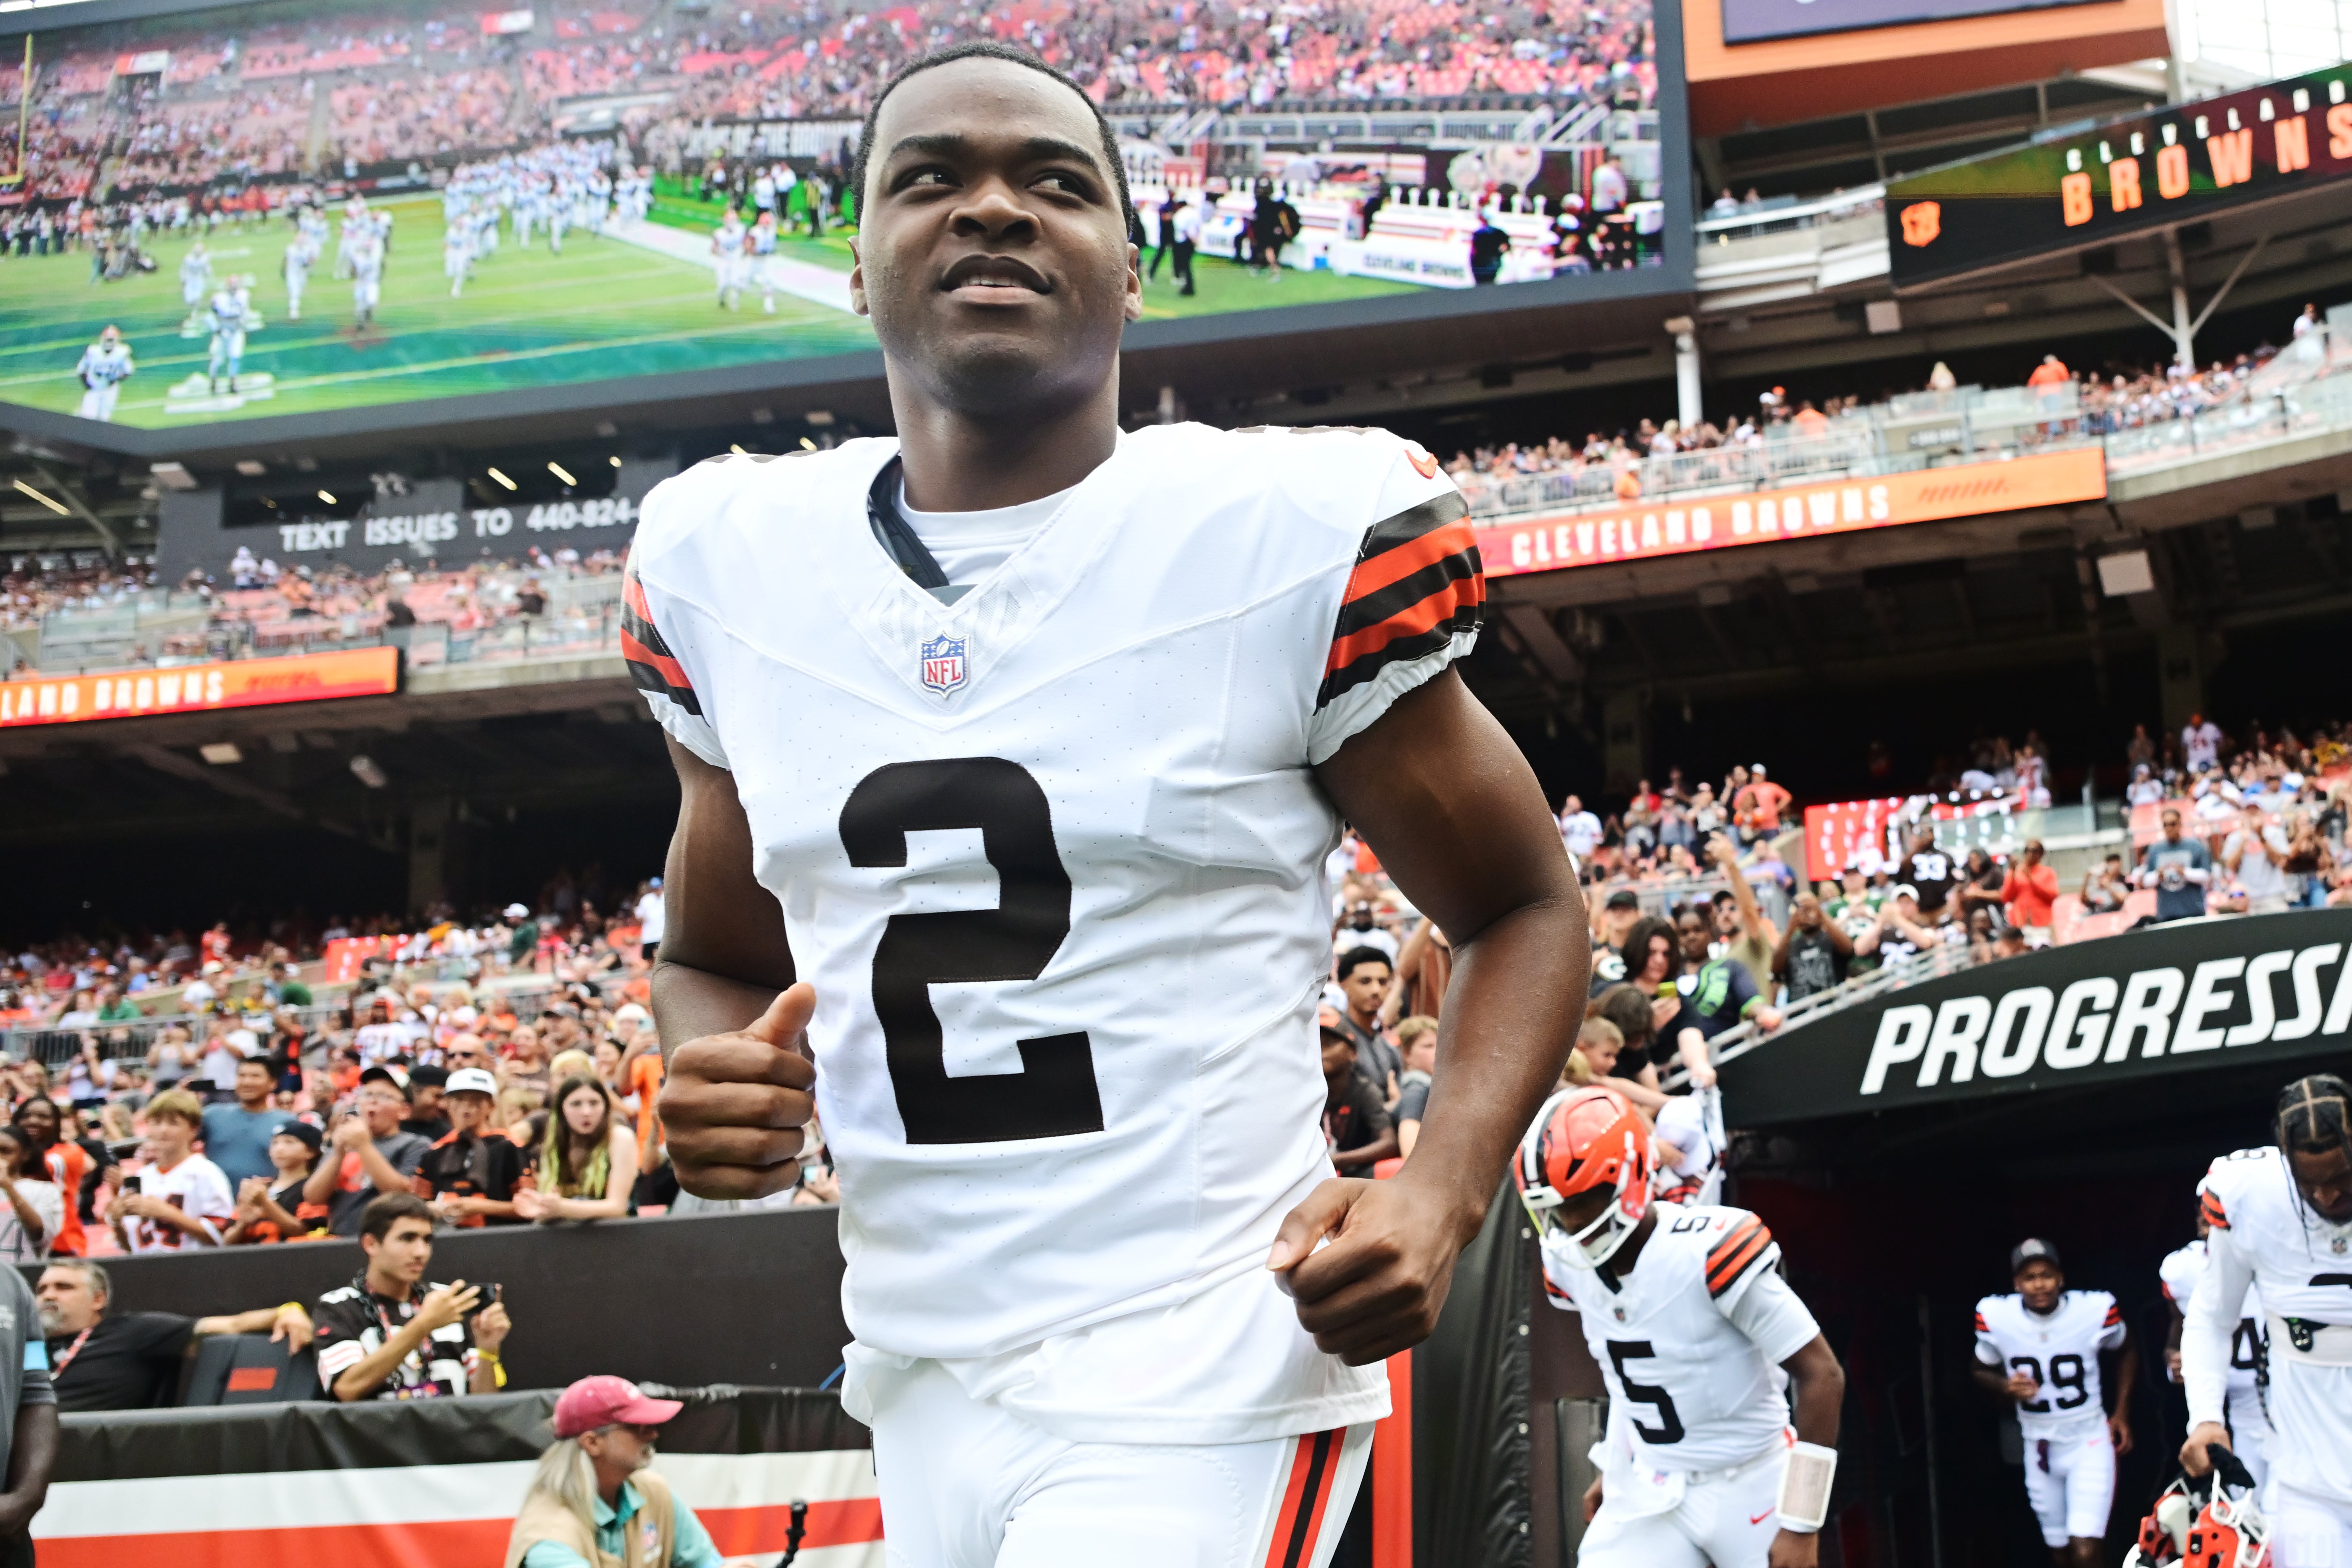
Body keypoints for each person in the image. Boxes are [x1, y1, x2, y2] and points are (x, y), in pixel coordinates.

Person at [643, 40, 1583, 1565]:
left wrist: (1438, 1188)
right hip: (914, 1373)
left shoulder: (1281, 528)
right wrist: (708, 1079)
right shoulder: (724, 561)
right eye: (931, 178)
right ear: (858, 258)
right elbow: (717, 958)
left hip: (1200, 1360)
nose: (992, 210)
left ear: (1131, 271)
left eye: (1054, 183)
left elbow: (1523, 904)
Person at [1520, 1086, 1845, 1568]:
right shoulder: (1567, 1264)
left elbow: (1822, 1375)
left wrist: (1800, 1522)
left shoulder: (1708, 1249)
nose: (1569, 1222)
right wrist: (1613, 1463)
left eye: (1583, 1200)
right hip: (1652, 1479)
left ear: (1629, 1176)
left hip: (1749, 1479)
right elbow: (1631, 1370)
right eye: (1557, 1208)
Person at [2181, 1075, 2352, 1557]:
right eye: (2309, 1184)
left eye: (2341, 1179)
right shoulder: (2247, 1193)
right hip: (2306, 1487)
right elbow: (2213, 1317)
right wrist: (2205, 1418)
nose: (2325, 1198)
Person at [1971, 1239, 2137, 1568]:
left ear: (2061, 1278)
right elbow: (1978, 1368)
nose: (2039, 1284)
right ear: (2017, 1284)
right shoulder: (1997, 1316)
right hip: (2039, 1445)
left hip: (2087, 1439)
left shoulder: (2093, 1310)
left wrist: (2122, 1413)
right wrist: (2005, 1386)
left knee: (2086, 1550)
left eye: (2046, 1275)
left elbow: (2127, 1349)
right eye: (2030, 1277)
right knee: (2060, 1555)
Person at [506, 1375, 734, 1568]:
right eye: (637, 1426)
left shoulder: (652, 1492)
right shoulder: (548, 1534)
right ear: (592, 1443)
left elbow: (705, 1562)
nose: (653, 1434)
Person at [34, 1257, 313, 1412]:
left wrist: (286, 1311)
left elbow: (232, 1325)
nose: (49, 1295)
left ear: (98, 1299)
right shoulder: (25, 1344)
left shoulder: (133, 1331)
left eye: (63, 1287)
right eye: (42, 1289)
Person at [314, 1193, 510, 1402]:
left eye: (427, 1240)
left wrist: (487, 1350)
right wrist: (424, 1324)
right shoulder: (337, 1307)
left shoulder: (450, 1302)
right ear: (371, 1244)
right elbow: (347, 1388)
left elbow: (484, 1406)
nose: (421, 1252)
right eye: (407, 1238)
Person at [2158, 1193, 2269, 1493]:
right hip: (2240, 1412)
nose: (2207, 1216)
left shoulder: (2278, 1254)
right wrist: (2176, 1357)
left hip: (2295, 1400)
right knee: (2249, 1509)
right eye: (2203, 1209)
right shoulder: (2183, 1269)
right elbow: (2181, 1326)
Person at [305, 1066, 434, 1235]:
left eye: (384, 1096)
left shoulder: (416, 1144)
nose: (373, 1101)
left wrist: (364, 1146)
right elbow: (313, 1197)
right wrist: (338, 1154)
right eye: (367, 1094)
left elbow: (404, 1196)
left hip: (390, 1239)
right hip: (340, 1237)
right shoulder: (344, 1142)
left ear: (404, 1111)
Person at [107, 1089, 233, 1253]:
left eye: (173, 1123)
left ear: (193, 1130)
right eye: (157, 1122)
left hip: (193, 1267)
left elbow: (220, 1236)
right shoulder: (141, 1177)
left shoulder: (206, 1173)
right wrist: (116, 1222)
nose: (163, 1130)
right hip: (147, 1271)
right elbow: (131, 1248)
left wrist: (166, 1212)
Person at [515, 1073, 635, 1223]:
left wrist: (561, 1208)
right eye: (576, 1104)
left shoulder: (620, 1138)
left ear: (605, 1106)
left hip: (614, 1234)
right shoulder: (553, 1142)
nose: (586, 1112)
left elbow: (617, 1207)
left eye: (594, 1103)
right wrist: (541, 1207)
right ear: (562, 1110)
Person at [417, 1067, 527, 1227]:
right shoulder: (435, 1152)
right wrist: (432, 1208)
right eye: (459, 1099)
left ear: (491, 1106)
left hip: (500, 1239)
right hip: (445, 1240)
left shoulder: (508, 1147)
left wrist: (481, 1207)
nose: (467, 1108)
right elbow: (416, 1204)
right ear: (447, 1104)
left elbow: (530, 1206)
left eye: (476, 1101)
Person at [222, 1119, 328, 1245]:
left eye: (290, 1142)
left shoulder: (314, 1188)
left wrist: (265, 1203)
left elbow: (303, 1231)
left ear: (311, 1152)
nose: (279, 1149)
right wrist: (244, 1222)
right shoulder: (260, 1186)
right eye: (275, 1143)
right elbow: (227, 1243)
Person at [200, 1056, 299, 1190]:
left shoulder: (287, 1122)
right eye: (242, 1076)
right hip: (212, 1202)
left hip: (263, 1204)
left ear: (273, 1083)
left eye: (255, 1076)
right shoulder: (213, 1115)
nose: (247, 1082)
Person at [1318, 1009, 1398, 1174]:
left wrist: (1337, 1160)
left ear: (1353, 1054)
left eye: (1329, 1044)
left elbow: (1389, 1143)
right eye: (1315, 1045)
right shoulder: (1306, 1092)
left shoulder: (1364, 1090)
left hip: (1353, 1174)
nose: (1320, 1051)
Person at [1773, 892, 1850, 1005]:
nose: (1806, 914)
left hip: (1834, 1006)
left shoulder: (1831, 938)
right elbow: (1776, 969)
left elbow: (1848, 949)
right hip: (1800, 1011)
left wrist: (1820, 913)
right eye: (1800, 910)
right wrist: (1790, 929)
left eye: (1809, 910)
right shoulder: (1790, 944)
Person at [2138, 807, 2214, 922]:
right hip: (2167, 913)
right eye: (2165, 825)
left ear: (2180, 825)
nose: (2169, 828)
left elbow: (2206, 876)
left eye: (2173, 824)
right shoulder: (2155, 850)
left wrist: (2184, 872)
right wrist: (2158, 875)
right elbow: (2146, 881)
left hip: (2193, 910)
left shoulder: (2195, 846)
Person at [0, 1129, 60, 1266]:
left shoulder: (44, 1191)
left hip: (24, 1271)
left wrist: (8, 1186)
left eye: (6, 1151)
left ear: (26, 1155)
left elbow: (39, 1234)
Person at [1393, 1016, 1438, 1158]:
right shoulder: (1417, 1089)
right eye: (1428, 1046)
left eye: (1441, 1045)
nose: (1438, 1052)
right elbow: (1409, 1153)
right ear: (1407, 1054)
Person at [2001, 840, 2061, 946]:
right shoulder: (2015, 872)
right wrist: (2013, 874)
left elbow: (2052, 895)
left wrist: (2030, 879)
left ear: (2041, 854)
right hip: (2020, 923)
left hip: (2042, 923)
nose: (2030, 854)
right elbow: (2006, 897)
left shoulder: (2047, 872)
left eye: (2034, 851)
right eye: (2027, 851)